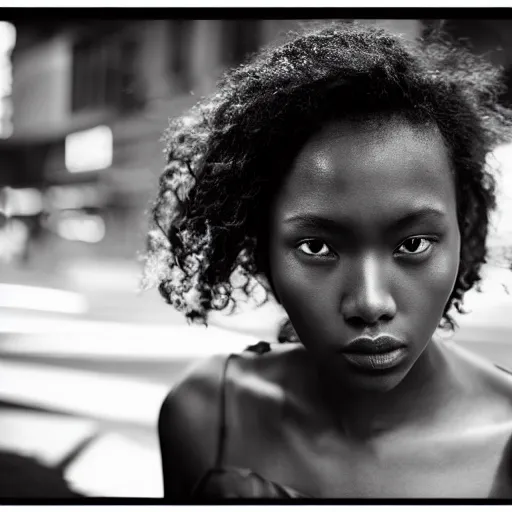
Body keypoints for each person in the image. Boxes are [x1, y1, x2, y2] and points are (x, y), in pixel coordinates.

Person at [143, 21, 512, 499]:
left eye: (414, 244)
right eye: (317, 248)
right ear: (260, 250)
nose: (371, 302)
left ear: (464, 232)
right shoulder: (206, 414)